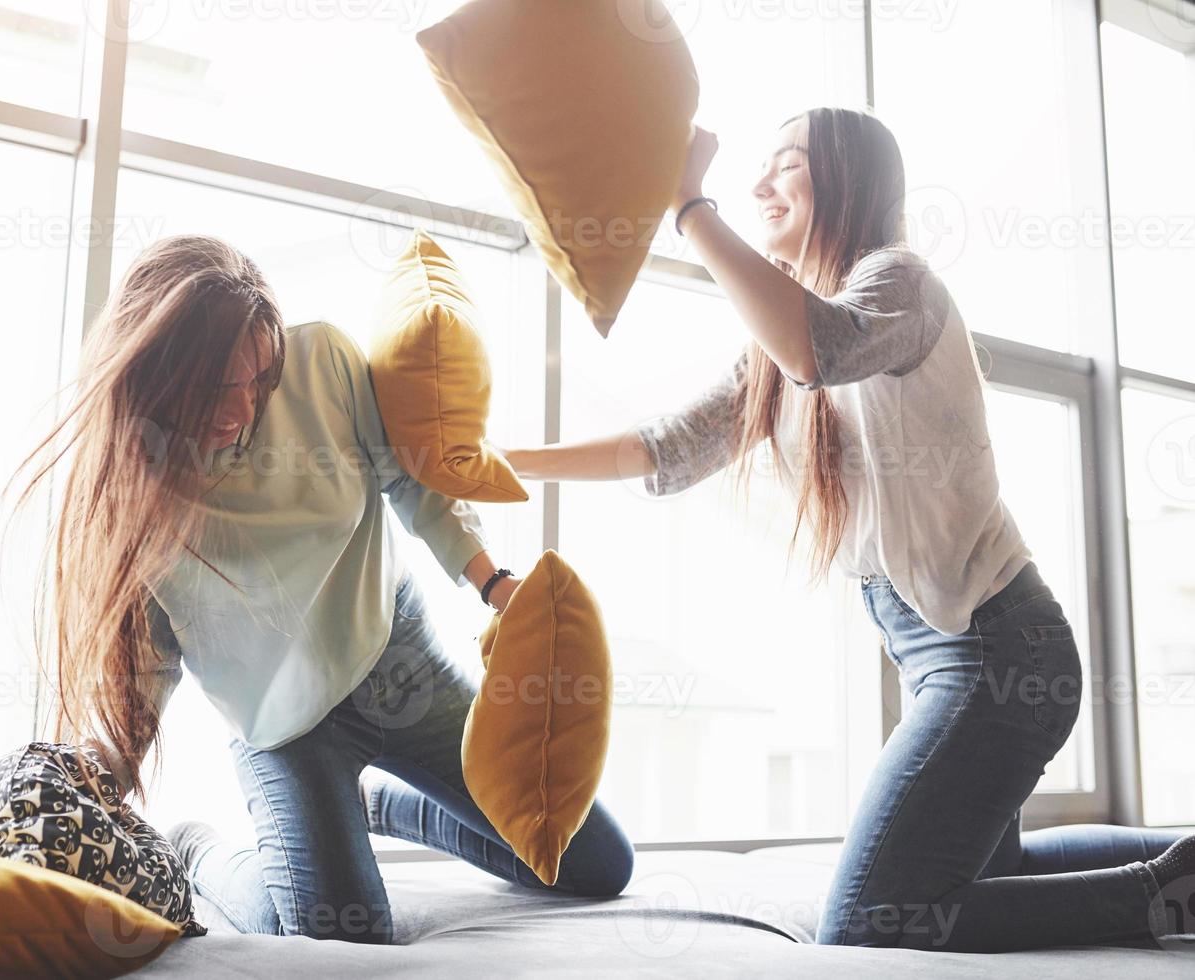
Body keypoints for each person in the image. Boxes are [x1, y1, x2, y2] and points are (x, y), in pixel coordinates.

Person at [500, 107, 1194, 952]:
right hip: (950, 652)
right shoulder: (776, 348)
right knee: (984, 875)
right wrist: (505, 463)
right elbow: (667, 451)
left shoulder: (898, 282)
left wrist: (692, 205)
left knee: (871, 921)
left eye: (783, 164)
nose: (758, 185)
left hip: (996, 652)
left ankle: (1156, 900)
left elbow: (815, 349)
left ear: (847, 180)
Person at [7, 235, 634, 945]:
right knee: (342, 935)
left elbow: (407, 478)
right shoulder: (134, 500)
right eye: (217, 390)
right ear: (159, 375)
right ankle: (200, 849)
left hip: (398, 664)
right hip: (286, 731)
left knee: (591, 863)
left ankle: (386, 806)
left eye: (259, 381)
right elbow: (150, 671)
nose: (242, 410)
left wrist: (491, 581)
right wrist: (104, 772)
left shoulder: (321, 363)